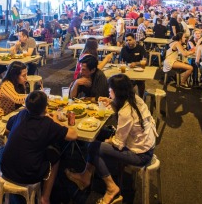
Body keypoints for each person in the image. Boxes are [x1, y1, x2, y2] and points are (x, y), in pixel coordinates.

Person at [65, 74, 157, 204]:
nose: (108, 91)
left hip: (141, 154)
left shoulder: (126, 112)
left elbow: (118, 144)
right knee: (98, 143)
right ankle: (86, 177)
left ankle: (111, 187)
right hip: (147, 146)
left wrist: (108, 141)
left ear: (117, 91)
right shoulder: (135, 99)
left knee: (94, 146)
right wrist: (111, 102)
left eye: (110, 89)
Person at [0, 91, 78, 204]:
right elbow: (73, 135)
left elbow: (9, 126)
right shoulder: (48, 123)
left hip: (6, 168)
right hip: (28, 175)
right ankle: (45, 198)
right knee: (55, 156)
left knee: (16, 156)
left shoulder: (21, 114)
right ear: (45, 107)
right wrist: (56, 120)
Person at [0, 61, 28, 141]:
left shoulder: (19, 83)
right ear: (15, 76)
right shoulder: (6, 85)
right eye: (24, 75)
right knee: (18, 134)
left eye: (26, 74)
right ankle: (10, 151)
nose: (26, 78)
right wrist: (34, 95)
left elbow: (22, 102)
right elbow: (17, 98)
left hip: (9, 115)